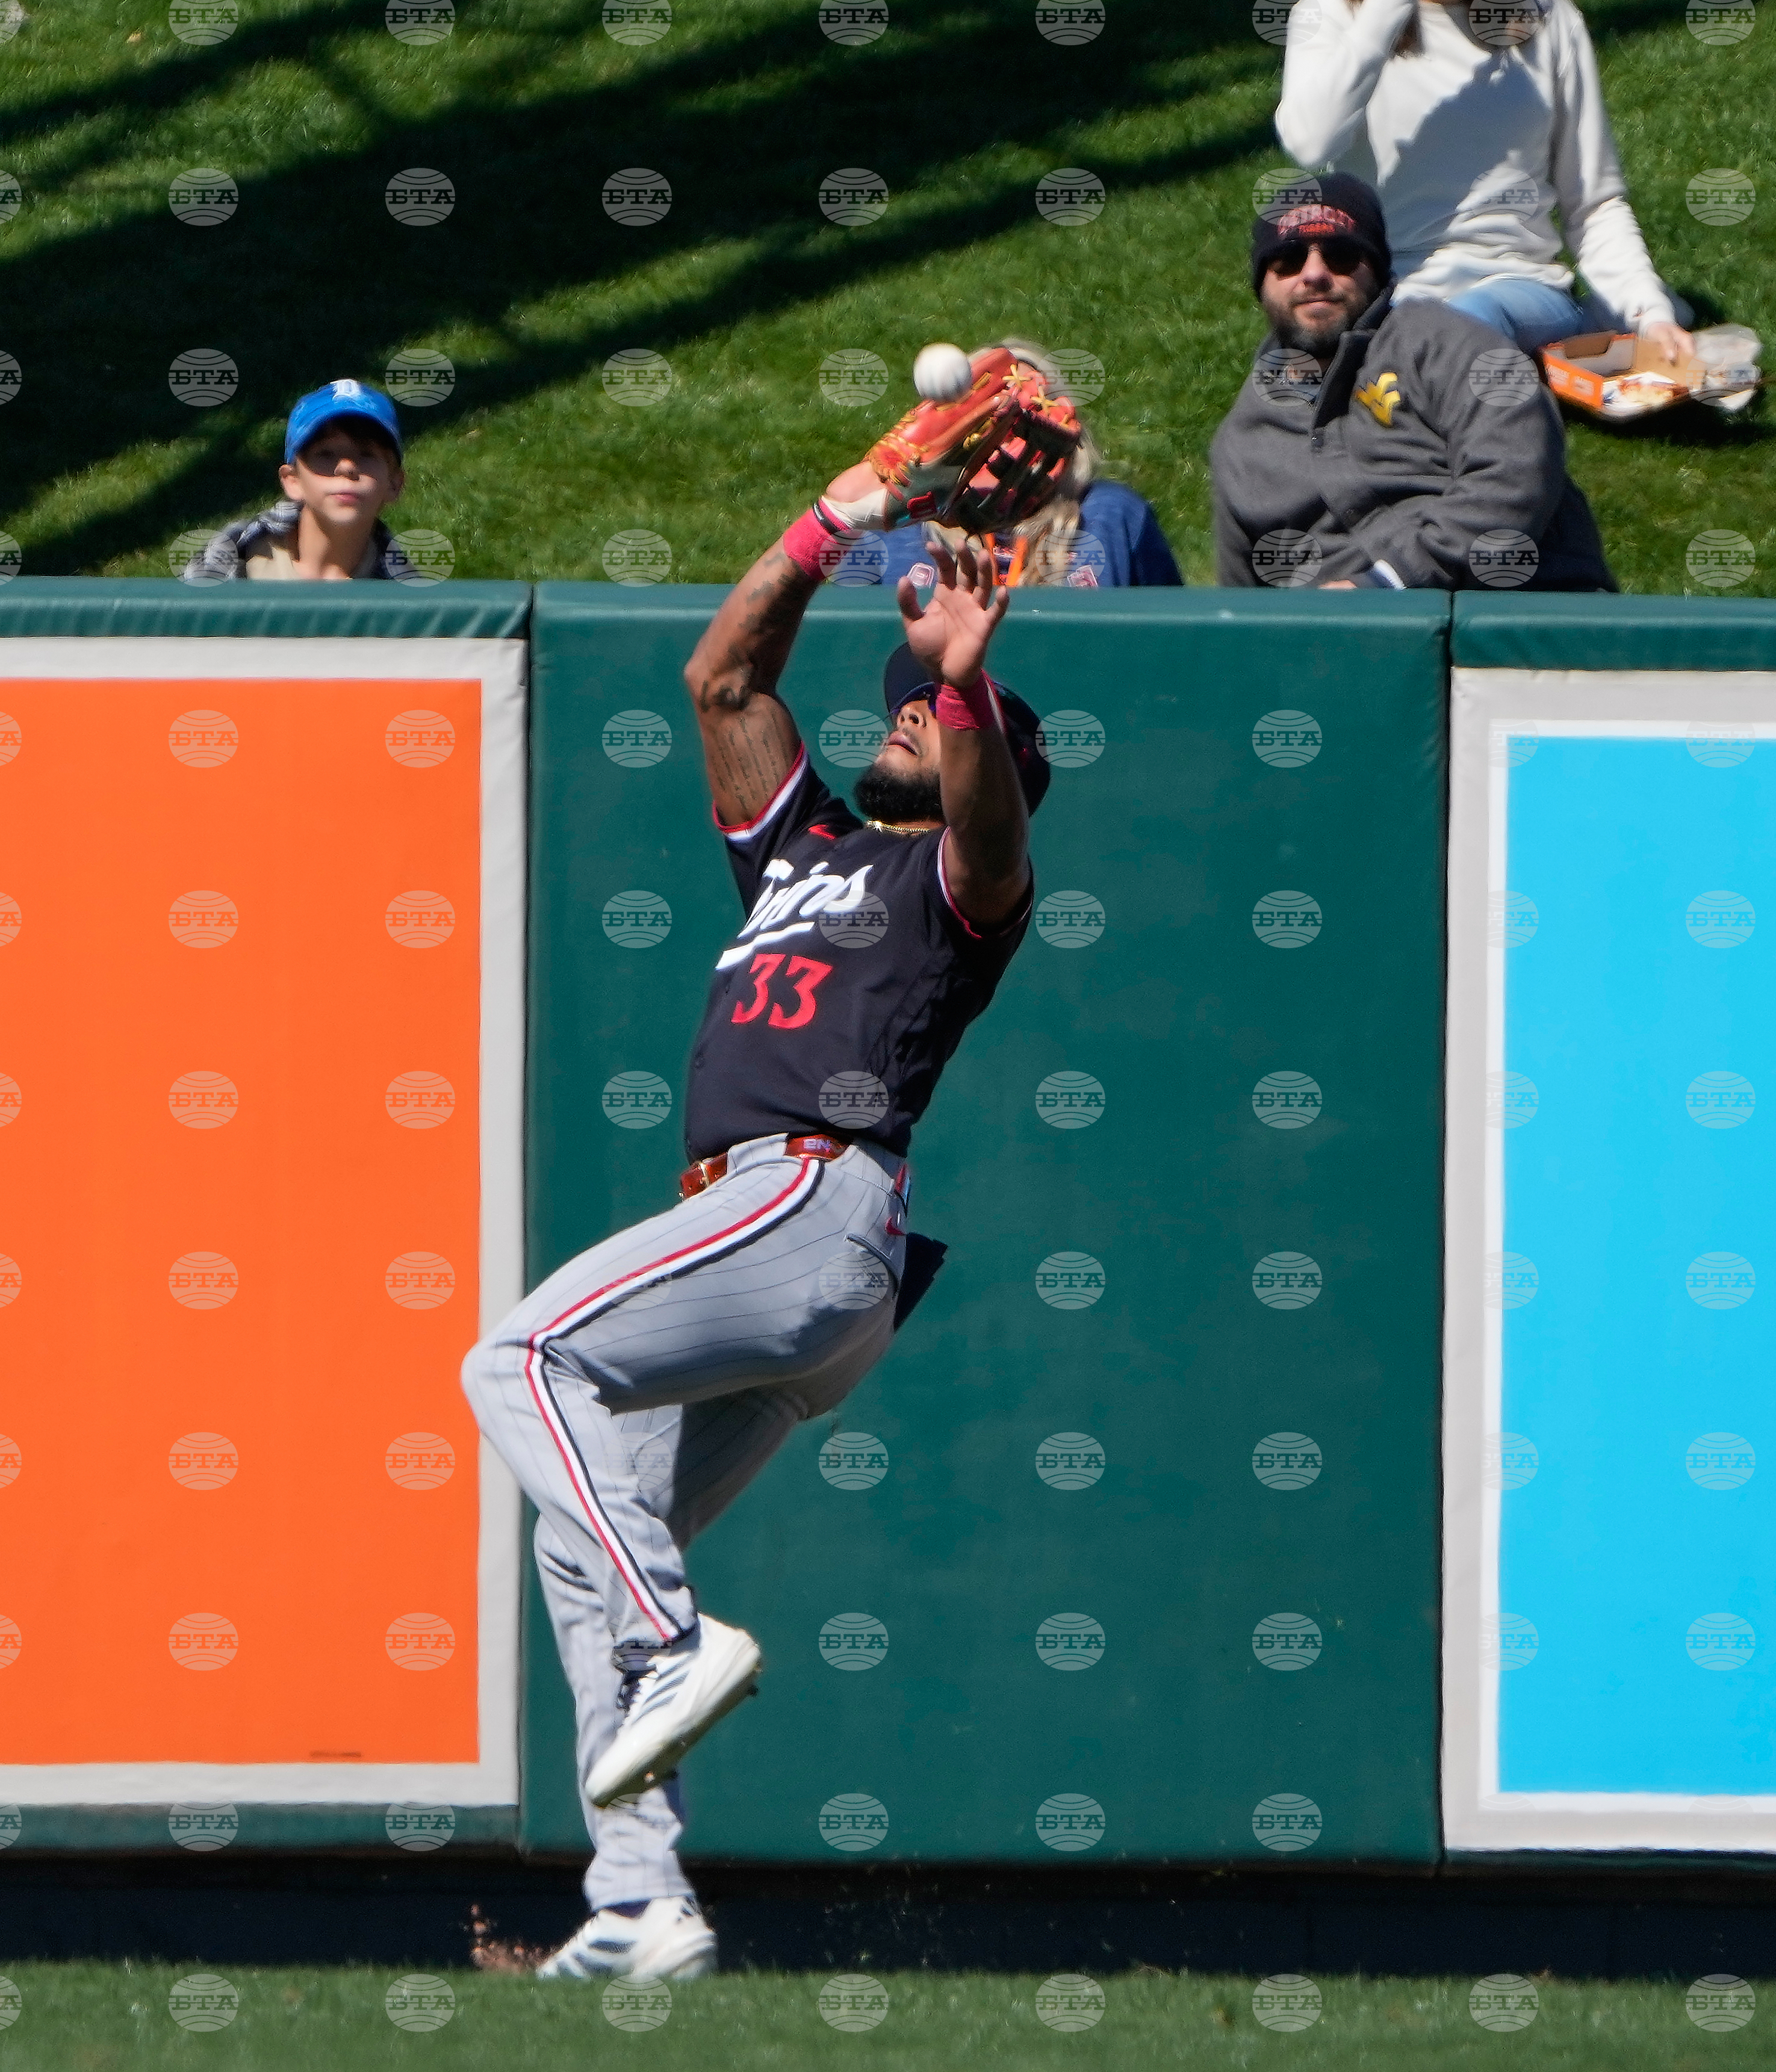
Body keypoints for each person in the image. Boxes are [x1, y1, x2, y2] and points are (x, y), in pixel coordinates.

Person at [461, 480, 1048, 1982]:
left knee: (517, 1358)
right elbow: (721, 676)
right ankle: (640, 1902)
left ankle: (671, 1639)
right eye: (911, 698)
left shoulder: (958, 884)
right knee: (576, 1543)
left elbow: (986, 818)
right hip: (779, 1253)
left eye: (935, 712)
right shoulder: (802, 852)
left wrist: (969, 679)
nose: (911, 709)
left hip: (807, 1197)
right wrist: (836, 515)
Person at [1276, 0, 1688, 358]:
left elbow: (1593, 202)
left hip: (1515, 289)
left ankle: (1414, 378)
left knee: (1464, 324)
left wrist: (1650, 313)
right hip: (1384, 289)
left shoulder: (1543, 14)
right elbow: (1309, 141)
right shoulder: (1335, 5)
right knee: (1400, 338)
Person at [1212, 174, 1614, 591]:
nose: (1314, 274)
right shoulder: (1242, 445)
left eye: (1341, 255)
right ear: (1261, 283)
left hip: (1520, 615)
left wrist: (1390, 581)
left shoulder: (1443, 343)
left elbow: (1515, 471)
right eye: (1289, 260)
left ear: (1378, 271)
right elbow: (1242, 614)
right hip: (1356, 648)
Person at [862, 342, 1183, 590]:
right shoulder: (894, 529)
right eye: (988, 421)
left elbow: (1174, 643)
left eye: (1023, 419)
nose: (1004, 440)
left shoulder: (1113, 516)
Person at [187, 381, 420, 581]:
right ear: (292, 481)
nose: (347, 467)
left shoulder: (406, 594)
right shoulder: (236, 557)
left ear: (394, 484)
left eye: (367, 454)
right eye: (326, 455)